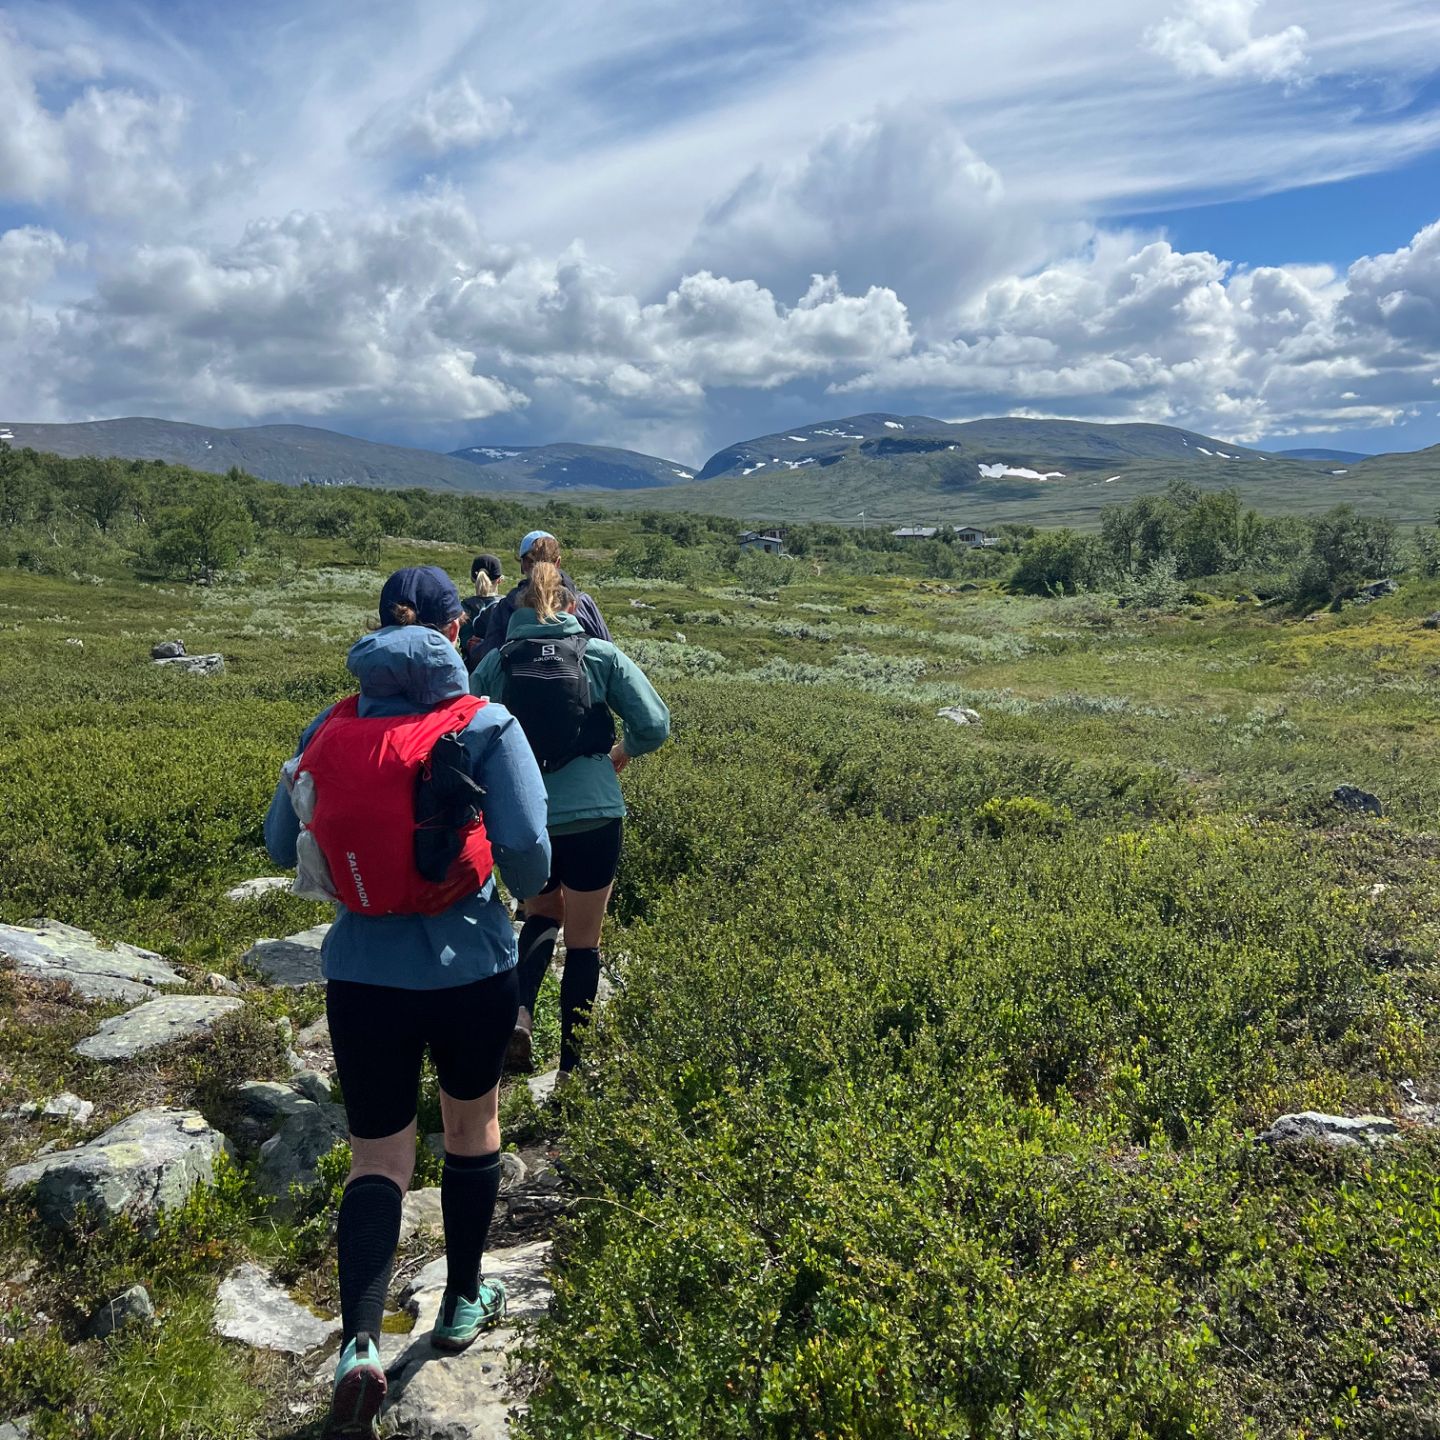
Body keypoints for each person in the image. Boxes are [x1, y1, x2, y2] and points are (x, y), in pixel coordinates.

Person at [264, 565, 550, 1440]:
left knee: (376, 1159)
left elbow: (281, 844)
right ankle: (462, 1302)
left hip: (361, 973)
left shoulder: (330, 725)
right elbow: (533, 859)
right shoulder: (487, 723)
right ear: (455, 634)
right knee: (471, 1132)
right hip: (471, 967)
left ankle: (358, 1344)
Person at [469, 561, 669, 1079]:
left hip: (524, 814)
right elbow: (655, 723)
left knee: (540, 915)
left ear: (516, 611)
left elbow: (466, 727)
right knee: (584, 943)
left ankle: (518, 1015)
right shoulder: (599, 655)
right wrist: (623, 749)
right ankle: (570, 1073)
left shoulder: (498, 662)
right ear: (573, 607)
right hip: (595, 814)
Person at [471, 530, 610, 664]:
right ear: (558, 563)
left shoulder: (506, 606)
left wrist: (476, 650)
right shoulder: (582, 602)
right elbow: (607, 653)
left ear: (523, 565)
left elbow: (489, 658)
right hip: (578, 687)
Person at [458, 554, 503, 673]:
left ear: (473, 579)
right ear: (499, 580)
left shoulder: (464, 606)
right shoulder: (505, 605)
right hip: (499, 670)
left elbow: (464, 641)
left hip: (471, 671)